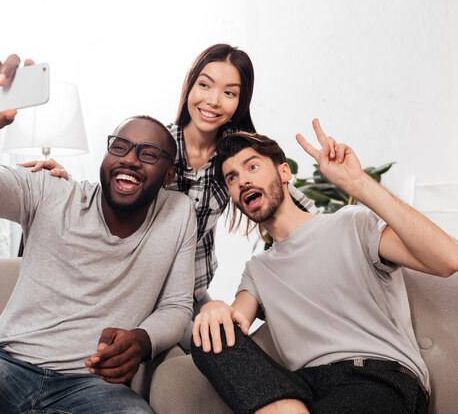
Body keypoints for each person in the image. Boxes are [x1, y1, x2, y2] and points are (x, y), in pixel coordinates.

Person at [0, 54, 197, 414]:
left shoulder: (178, 213)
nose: (130, 159)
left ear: (169, 175)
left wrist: (142, 341)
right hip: (4, 362)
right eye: (119, 147)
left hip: (92, 384)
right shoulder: (51, 191)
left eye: (149, 154)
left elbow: (176, 307)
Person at [22, 44, 317, 348]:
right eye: (204, 85)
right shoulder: (155, 145)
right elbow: (115, 192)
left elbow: (289, 204)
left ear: (240, 103)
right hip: (137, 292)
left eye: (229, 93)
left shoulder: (233, 159)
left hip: (192, 293)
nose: (213, 101)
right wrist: (66, 185)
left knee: (230, 348)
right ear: (190, 86)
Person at [191, 119, 458, 414]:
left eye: (252, 167)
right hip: (303, 391)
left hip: (375, 379)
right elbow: (232, 328)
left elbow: (448, 259)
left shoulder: (351, 224)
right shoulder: (258, 270)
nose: (242, 181)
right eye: (231, 178)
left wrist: (357, 184)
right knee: (207, 339)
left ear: (284, 171)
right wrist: (212, 309)